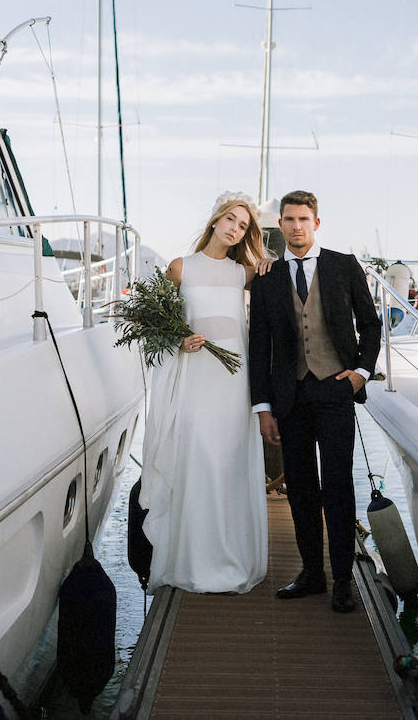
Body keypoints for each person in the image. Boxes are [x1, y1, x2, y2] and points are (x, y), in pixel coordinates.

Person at [248, 190, 381, 613]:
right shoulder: (268, 277)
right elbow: (259, 347)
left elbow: (371, 325)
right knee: (302, 489)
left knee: (338, 486)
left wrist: (360, 374)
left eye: (303, 219)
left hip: (335, 390)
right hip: (290, 397)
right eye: (288, 219)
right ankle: (312, 574)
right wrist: (262, 407)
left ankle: (343, 578)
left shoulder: (344, 266)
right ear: (281, 225)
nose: (296, 226)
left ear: (316, 223)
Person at [139, 193, 270, 594]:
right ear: (215, 221)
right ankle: (192, 562)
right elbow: (152, 323)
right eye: (230, 219)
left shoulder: (243, 273)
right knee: (198, 461)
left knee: (228, 466)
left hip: (233, 382)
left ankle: (229, 559)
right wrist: (179, 342)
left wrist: (267, 261)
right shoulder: (181, 267)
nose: (234, 228)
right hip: (196, 378)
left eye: (243, 225)